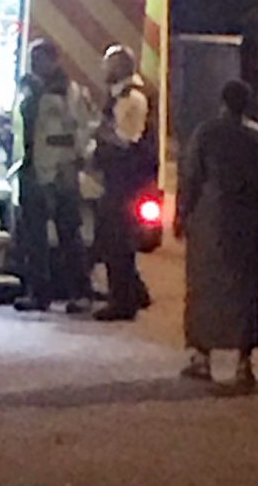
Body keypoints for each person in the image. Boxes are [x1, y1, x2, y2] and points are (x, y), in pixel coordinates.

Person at [175, 80, 258, 388]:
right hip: (250, 226)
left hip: (210, 223)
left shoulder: (206, 133)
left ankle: (202, 357)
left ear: (222, 101)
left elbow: (192, 178)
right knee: (247, 293)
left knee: (204, 288)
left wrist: (182, 216)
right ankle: (243, 363)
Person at [13, 39, 93, 313]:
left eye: (39, 60)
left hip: (58, 172)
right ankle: (40, 293)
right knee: (35, 236)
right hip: (36, 168)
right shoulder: (34, 91)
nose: (35, 66)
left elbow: (75, 133)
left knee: (67, 233)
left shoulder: (65, 93)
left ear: (53, 60)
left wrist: (66, 162)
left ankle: (79, 293)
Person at [92, 45, 158, 321]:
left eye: (108, 64)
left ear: (119, 67)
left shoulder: (132, 99)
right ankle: (134, 291)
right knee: (115, 238)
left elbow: (126, 140)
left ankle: (122, 302)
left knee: (116, 239)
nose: (103, 69)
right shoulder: (122, 95)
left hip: (126, 180)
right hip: (120, 178)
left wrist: (98, 133)